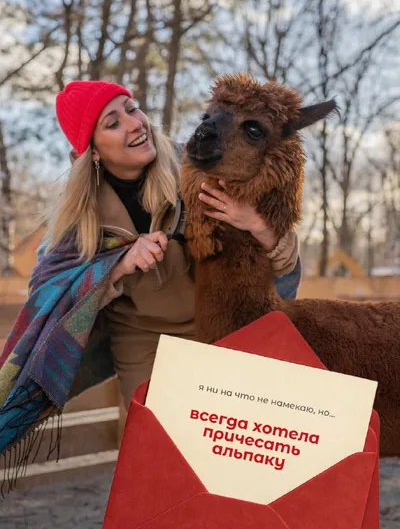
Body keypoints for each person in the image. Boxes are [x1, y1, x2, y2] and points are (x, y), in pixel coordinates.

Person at [0, 81, 301, 470]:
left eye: (132, 108)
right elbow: (49, 286)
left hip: (214, 328)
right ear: (92, 152)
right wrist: (118, 265)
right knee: (161, 453)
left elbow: (282, 259)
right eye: (113, 122)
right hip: (141, 339)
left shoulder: (200, 162)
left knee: (227, 451)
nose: (134, 123)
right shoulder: (81, 216)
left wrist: (259, 226)